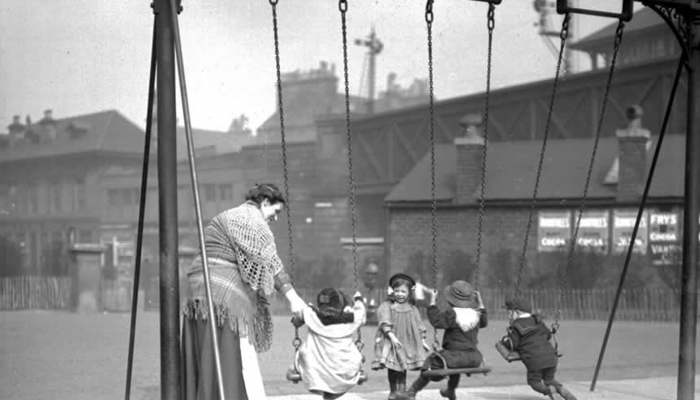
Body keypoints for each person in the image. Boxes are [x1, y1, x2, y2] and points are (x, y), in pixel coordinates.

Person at [180, 183, 307, 400]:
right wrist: (293, 298)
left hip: (197, 296)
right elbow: (270, 263)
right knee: (231, 361)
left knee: (206, 359)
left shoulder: (226, 215)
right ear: (264, 202)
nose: (275, 218)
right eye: (275, 212)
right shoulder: (252, 219)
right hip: (223, 298)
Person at [399, 280, 487, 400]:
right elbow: (484, 322)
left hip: (452, 358)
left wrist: (432, 302)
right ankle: (450, 390)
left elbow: (437, 321)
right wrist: (480, 303)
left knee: (429, 364)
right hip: (474, 358)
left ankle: (411, 392)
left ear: (451, 300)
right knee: (455, 367)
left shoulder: (452, 314)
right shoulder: (476, 314)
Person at [291, 288, 367, 399]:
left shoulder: (310, 315)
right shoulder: (353, 318)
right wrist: (359, 299)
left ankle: (295, 369)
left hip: (317, 376)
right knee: (357, 356)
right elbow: (362, 312)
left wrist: (297, 320)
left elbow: (297, 318)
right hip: (346, 374)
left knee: (303, 353)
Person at [500, 297, 577, 400]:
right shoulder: (538, 321)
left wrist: (505, 341)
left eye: (509, 313)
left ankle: (549, 391)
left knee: (534, 382)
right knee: (549, 380)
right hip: (551, 357)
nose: (508, 315)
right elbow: (548, 336)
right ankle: (562, 390)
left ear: (516, 312)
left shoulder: (516, 326)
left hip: (534, 360)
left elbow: (513, 344)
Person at [372, 273, 429, 400]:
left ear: (409, 293)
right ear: (393, 291)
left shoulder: (412, 308)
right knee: (393, 366)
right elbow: (384, 320)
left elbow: (419, 324)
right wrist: (392, 336)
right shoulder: (387, 306)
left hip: (407, 342)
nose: (400, 294)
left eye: (403, 292)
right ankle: (393, 391)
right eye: (397, 291)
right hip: (391, 340)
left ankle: (402, 391)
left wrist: (422, 340)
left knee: (403, 367)